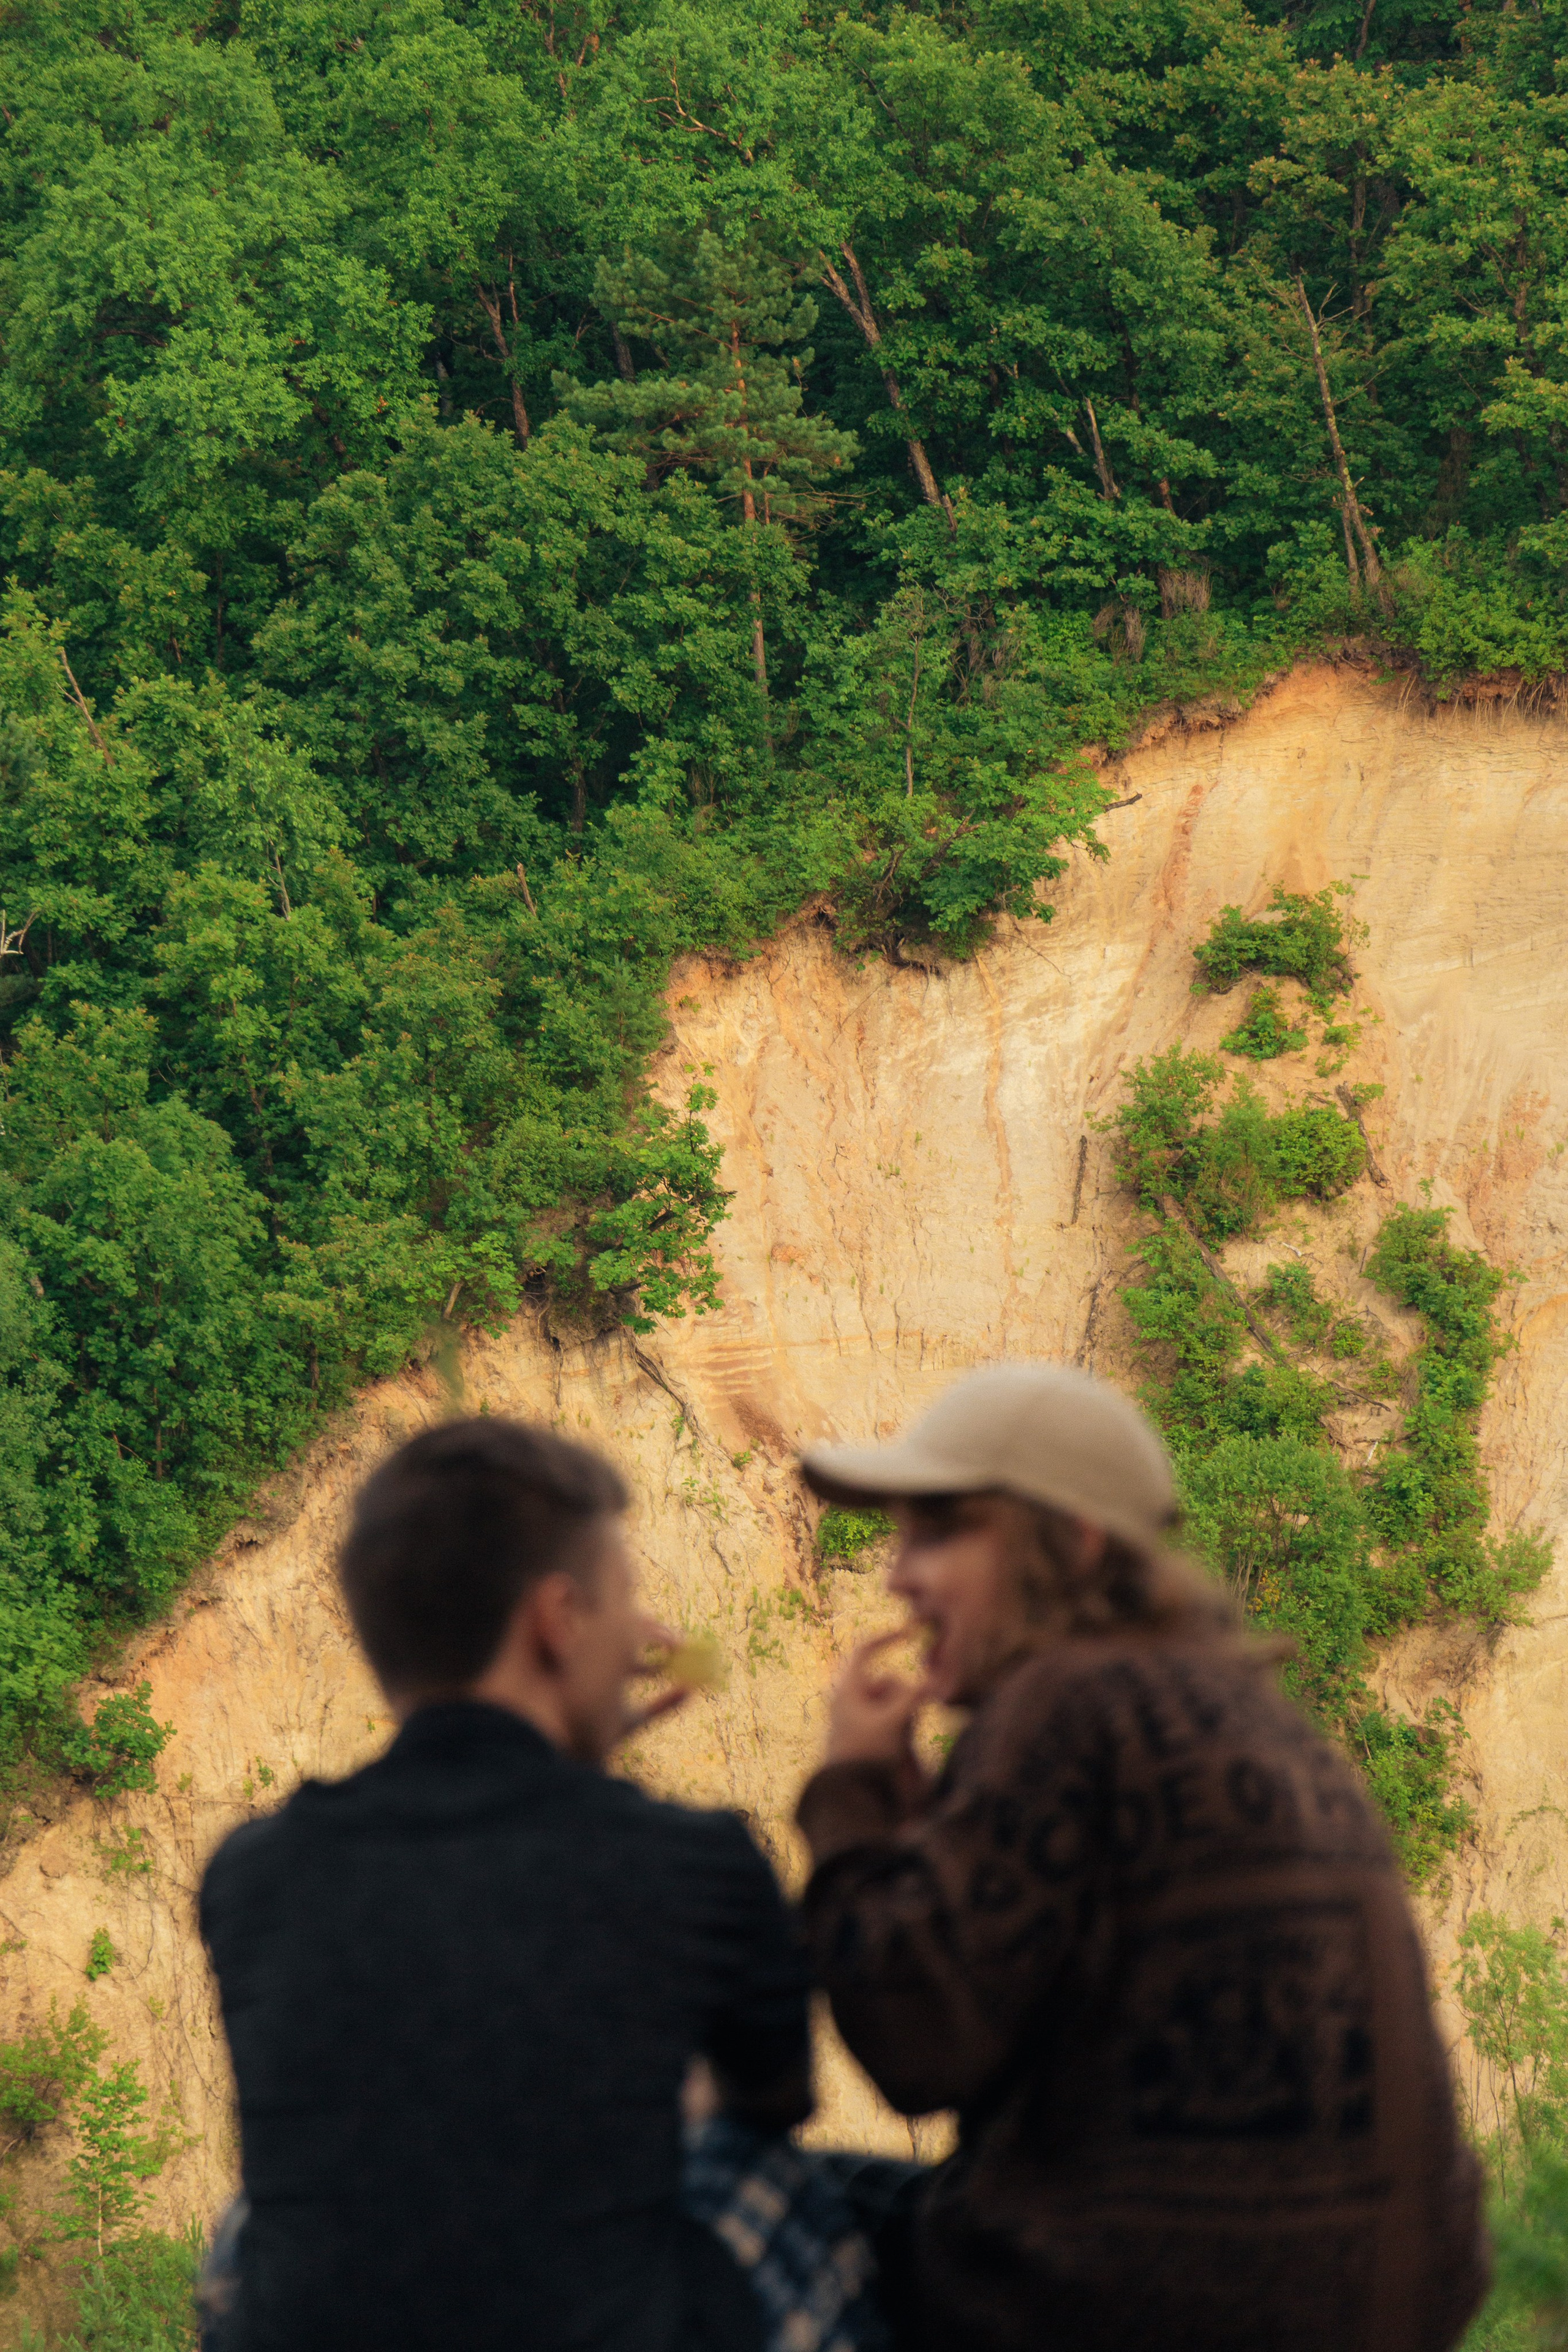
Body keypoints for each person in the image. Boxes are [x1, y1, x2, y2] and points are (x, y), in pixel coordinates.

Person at [793, 1362, 1488, 2352]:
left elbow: (918, 2046)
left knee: (711, 2185)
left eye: (939, 1533)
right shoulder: (1261, 1719)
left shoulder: (1065, 1698)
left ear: (1072, 1546)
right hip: (1389, 2308)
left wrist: (851, 1797)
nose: (899, 1575)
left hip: (1138, 2307)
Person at [197, 1416, 881, 2352]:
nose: (639, 1636)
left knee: (253, 2220)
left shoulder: (252, 1874)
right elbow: (772, 2099)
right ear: (558, 1620)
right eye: (624, 1601)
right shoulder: (692, 1862)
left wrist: (571, 1748)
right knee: (789, 2188)